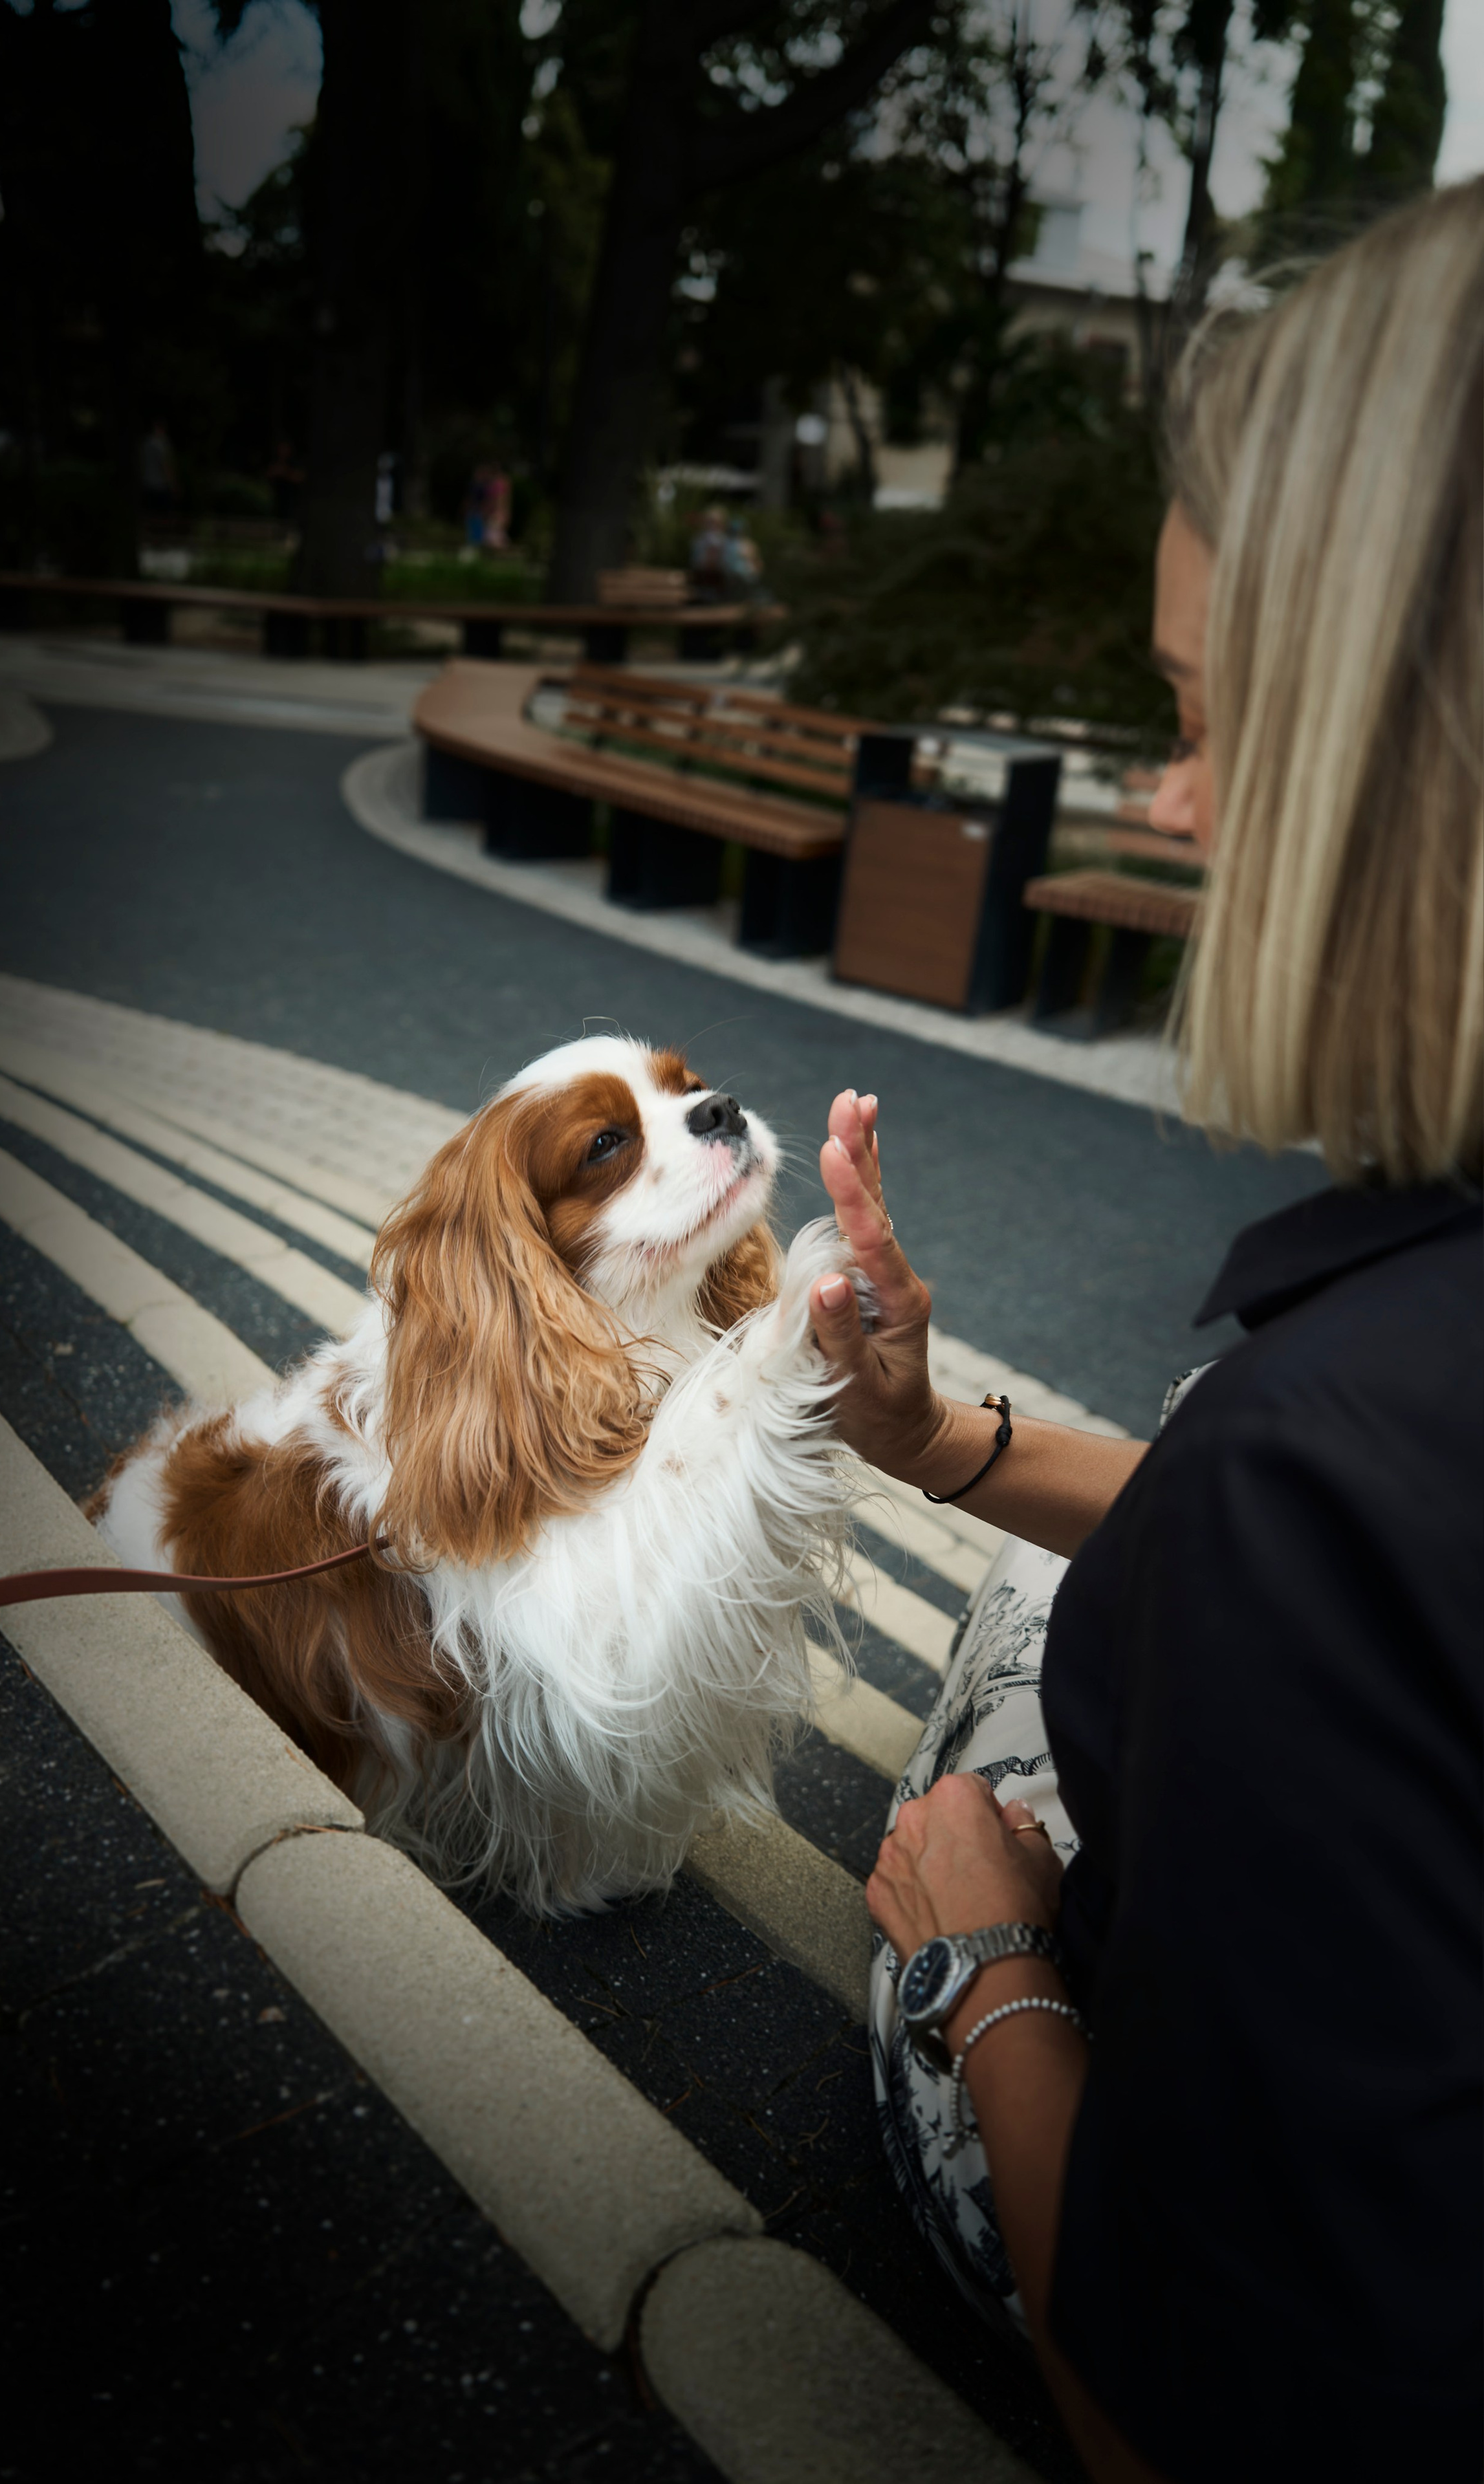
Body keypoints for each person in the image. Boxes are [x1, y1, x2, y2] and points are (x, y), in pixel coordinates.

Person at [807, 180, 1482, 2483]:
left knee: (992, 1714)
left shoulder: (1318, 1476)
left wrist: (991, 1961)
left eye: (1197, 719)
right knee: (1087, 1518)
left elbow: (1195, 2430)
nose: (1168, 800)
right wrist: (940, 1441)